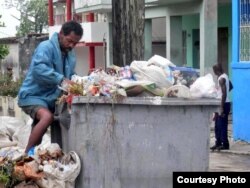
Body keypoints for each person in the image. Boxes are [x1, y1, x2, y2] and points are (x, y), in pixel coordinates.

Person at [17, 20, 83, 154]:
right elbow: (39, 69)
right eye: (69, 41)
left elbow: (70, 76)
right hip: (32, 96)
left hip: (50, 100)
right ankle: (26, 155)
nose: (71, 45)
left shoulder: (70, 55)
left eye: (75, 43)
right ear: (61, 34)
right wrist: (61, 80)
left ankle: (34, 156)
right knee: (47, 117)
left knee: (41, 132)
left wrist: (79, 82)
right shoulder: (45, 47)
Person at [210, 64, 231, 151]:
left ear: (216, 70)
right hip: (221, 103)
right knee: (217, 125)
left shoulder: (221, 79)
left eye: (214, 70)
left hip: (223, 104)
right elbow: (230, 87)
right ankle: (218, 143)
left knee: (222, 125)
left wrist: (221, 107)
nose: (214, 72)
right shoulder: (225, 76)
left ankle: (225, 144)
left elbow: (224, 93)